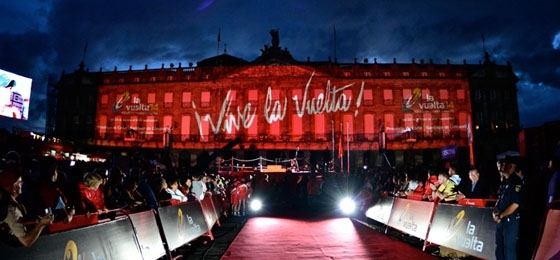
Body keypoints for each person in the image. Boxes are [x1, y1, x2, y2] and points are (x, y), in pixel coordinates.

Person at [0, 167, 53, 247]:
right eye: (20, 183)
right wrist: (41, 225)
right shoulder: (10, 209)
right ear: (14, 187)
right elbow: (26, 241)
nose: (22, 185)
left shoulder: (7, 202)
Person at [493, 155, 523, 260]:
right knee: (499, 247)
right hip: (501, 220)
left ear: (510, 166)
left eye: (504, 164)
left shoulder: (516, 182)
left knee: (509, 249)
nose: (502, 166)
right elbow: (499, 199)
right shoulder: (504, 181)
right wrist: (495, 212)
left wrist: (501, 215)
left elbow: (515, 204)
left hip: (510, 220)